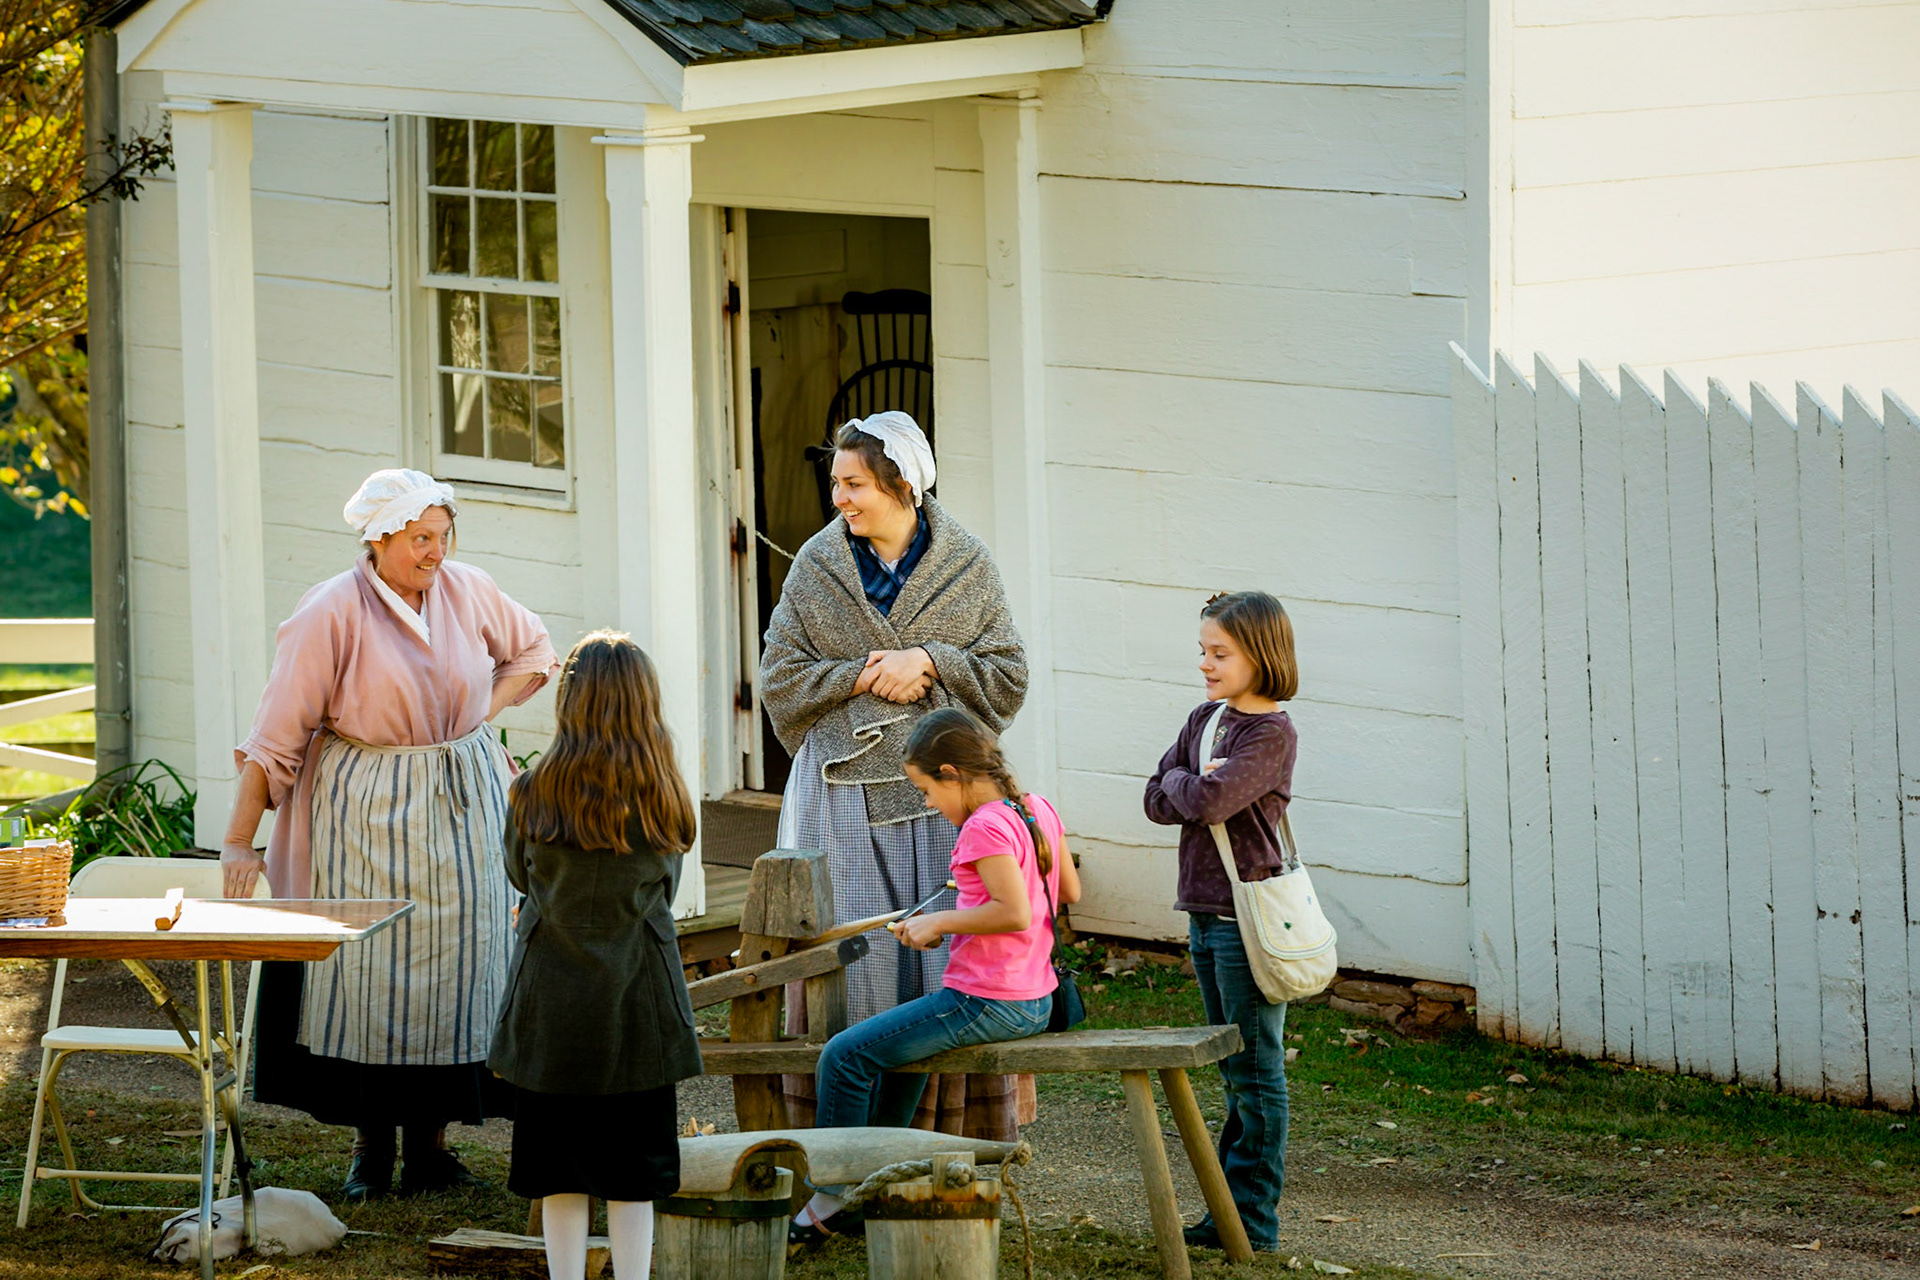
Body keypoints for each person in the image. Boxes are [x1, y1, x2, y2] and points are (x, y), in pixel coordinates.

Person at [221, 468, 558, 1200]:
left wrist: (474, 714)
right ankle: (371, 1153)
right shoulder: (331, 611)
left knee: (457, 969)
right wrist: (239, 840)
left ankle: (430, 1148)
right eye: (419, 540)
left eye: (442, 536)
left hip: (461, 800)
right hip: (364, 808)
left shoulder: (468, 589)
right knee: (371, 974)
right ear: (378, 539)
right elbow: (276, 735)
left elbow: (534, 653)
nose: (435, 553)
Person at [760, 411, 1032, 1139]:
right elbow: (779, 676)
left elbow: (1008, 677)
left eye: (854, 485)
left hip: (944, 793)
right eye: (837, 485)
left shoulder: (966, 566)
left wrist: (934, 660)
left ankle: (948, 1138)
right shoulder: (819, 565)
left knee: (945, 953)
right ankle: (843, 1141)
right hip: (841, 795)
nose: (840, 500)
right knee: (858, 958)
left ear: (902, 485)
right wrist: (865, 675)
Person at [791, 707, 1079, 1243]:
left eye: (926, 790)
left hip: (987, 999)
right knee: (907, 1057)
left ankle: (831, 1194)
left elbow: (1013, 912)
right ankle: (867, 1187)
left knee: (844, 1055)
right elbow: (1069, 893)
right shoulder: (1035, 809)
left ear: (952, 774)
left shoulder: (983, 825)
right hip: (1036, 995)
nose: (926, 804)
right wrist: (958, 916)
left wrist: (941, 923)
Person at [488, 630, 701, 1280]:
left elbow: (520, 878)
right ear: (645, 703)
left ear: (570, 703)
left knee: (562, 1174)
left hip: (553, 1007)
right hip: (638, 1003)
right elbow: (666, 887)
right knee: (633, 1176)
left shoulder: (531, 792)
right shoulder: (664, 794)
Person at [1142, 591, 1300, 1254]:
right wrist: (1190, 783)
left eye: (1220, 653)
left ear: (1259, 656)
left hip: (1248, 920)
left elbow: (1207, 799)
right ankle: (1229, 1215)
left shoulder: (1271, 734)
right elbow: (1156, 797)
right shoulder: (1205, 719)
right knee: (1234, 1066)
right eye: (1203, 651)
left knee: (1256, 1068)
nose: (1205, 664)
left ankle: (1252, 1223)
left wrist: (1190, 785)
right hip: (1204, 914)